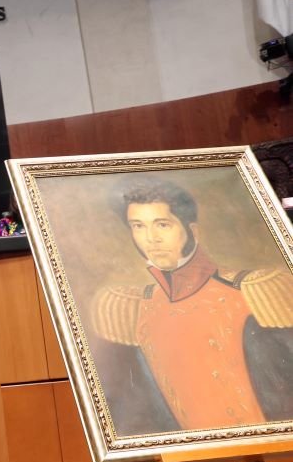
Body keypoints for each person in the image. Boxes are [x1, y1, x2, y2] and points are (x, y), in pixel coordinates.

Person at [91, 177, 293, 434]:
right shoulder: (135, 307)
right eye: (138, 226)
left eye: (163, 225)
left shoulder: (253, 291)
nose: (151, 239)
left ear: (192, 231)